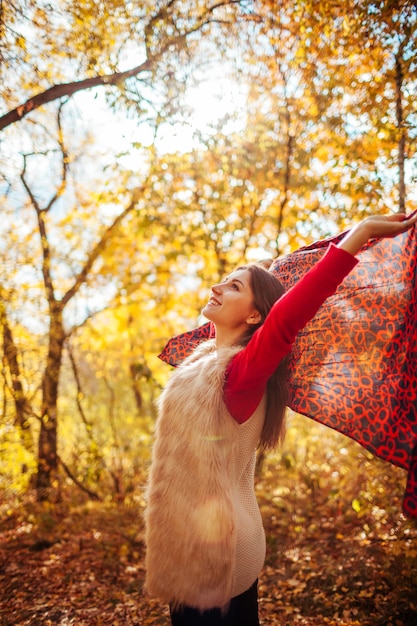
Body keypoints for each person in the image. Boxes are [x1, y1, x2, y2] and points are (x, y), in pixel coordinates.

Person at [144, 213, 417, 626]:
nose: (217, 287)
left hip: (217, 553)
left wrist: (361, 234)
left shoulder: (240, 375)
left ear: (256, 317)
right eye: (225, 280)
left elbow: (289, 316)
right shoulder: (205, 362)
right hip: (197, 544)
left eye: (234, 286)